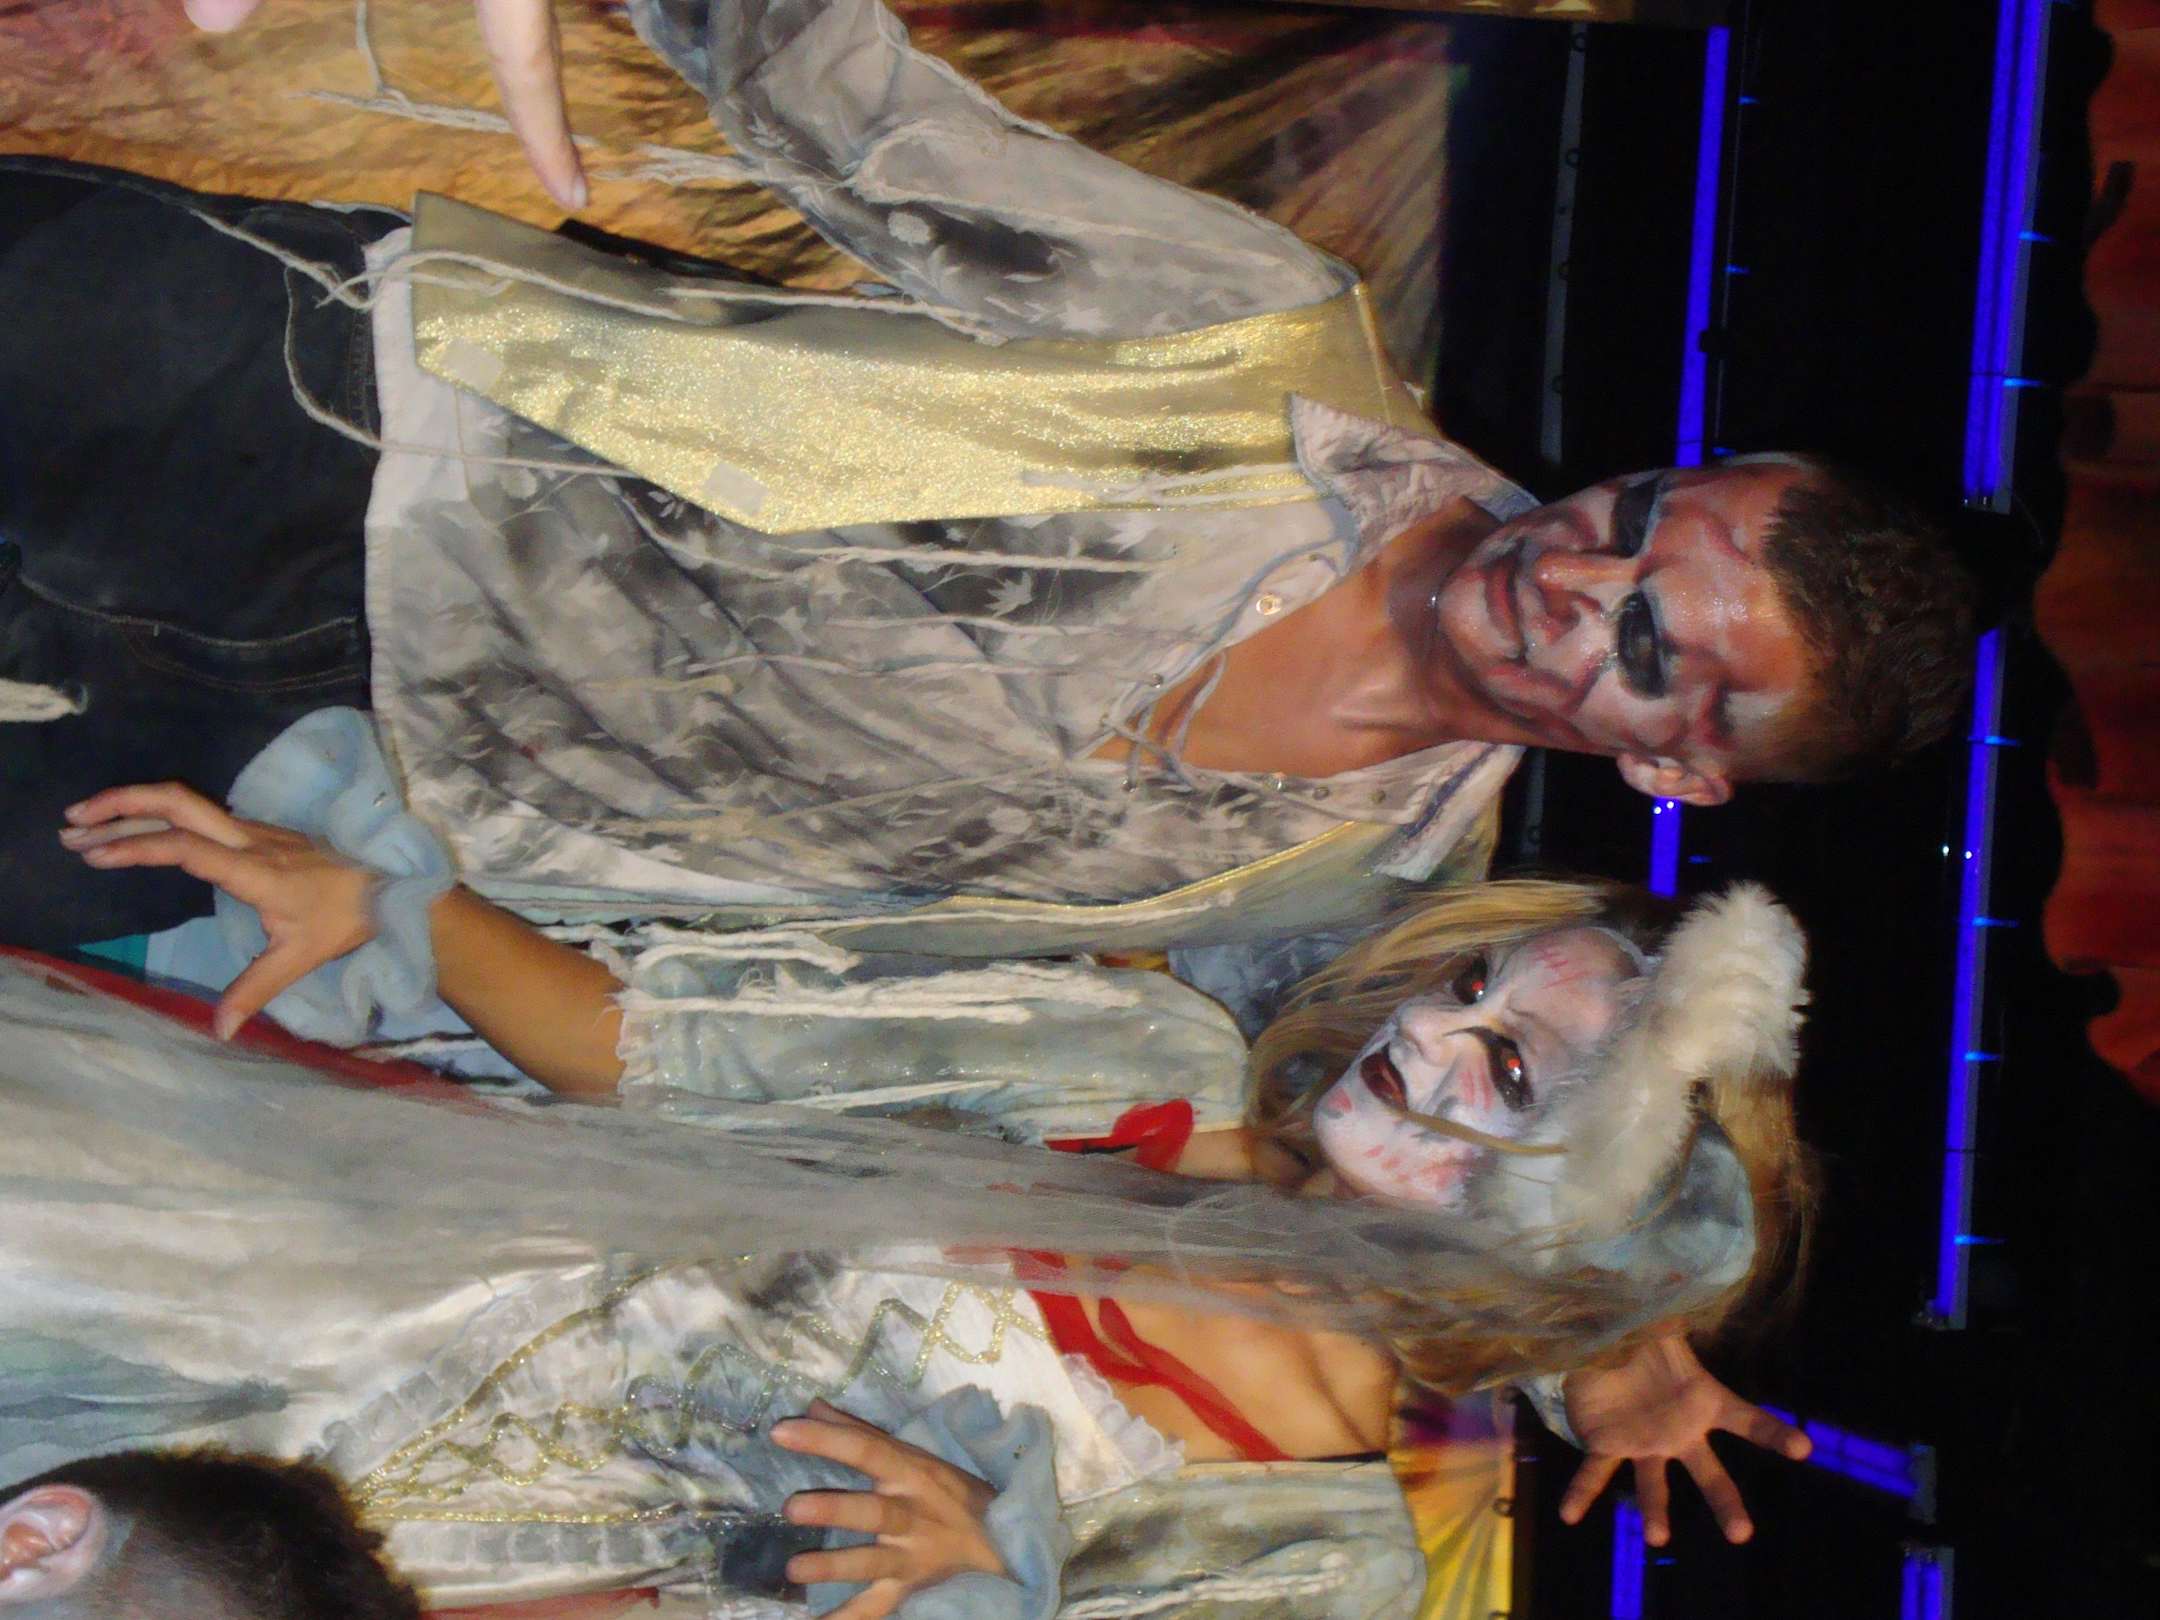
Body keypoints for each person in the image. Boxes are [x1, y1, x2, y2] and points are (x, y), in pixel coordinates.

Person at [0, 0, 1975, 957]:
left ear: (1678, 773)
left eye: (1647, 644)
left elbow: (1299, 1181)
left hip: (343, 780)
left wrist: (1598, 1321)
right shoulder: (1263, 345)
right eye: (1643, 517)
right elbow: (851, 104)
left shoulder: (1337, 890)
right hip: (342, 426)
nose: (1574, 571)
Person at [30, 773, 1818, 1592]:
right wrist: (392, 906)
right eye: (1470, 985)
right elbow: (661, 1051)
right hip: (289, 1269)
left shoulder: (1313, 1551)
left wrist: (974, 1591)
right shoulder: (1144, 1061)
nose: (1426, 1037)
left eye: (1509, 1070)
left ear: (1569, 1224)